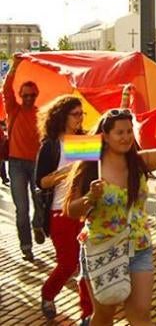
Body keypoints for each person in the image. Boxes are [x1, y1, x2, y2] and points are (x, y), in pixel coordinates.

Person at [65, 100, 156, 326]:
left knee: (141, 313)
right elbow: (71, 211)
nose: (126, 137)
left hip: (138, 247)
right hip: (103, 248)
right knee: (105, 315)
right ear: (105, 136)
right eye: (119, 132)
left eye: (129, 131)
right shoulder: (91, 164)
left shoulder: (140, 161)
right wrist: (91, 197)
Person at [34, 95, 93, 323]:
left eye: (82, 114)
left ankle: (87, 313)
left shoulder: (83, 140)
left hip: (84, 210)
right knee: (68, 263)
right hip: (59, 210)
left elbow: (89, 176)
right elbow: (41, 182)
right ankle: (48, 293)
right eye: (75, 114)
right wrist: (65, 173)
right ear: (62, 116)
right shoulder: (50, 145)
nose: (80, 118)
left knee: (86, 264)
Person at [3, 54, 45, 260]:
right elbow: (6, 88)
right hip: (17, 164)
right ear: (21, 95)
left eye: (32, 95)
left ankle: (38, 224)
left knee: (40, 204)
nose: (28, 98)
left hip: (37, 164)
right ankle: (26, 246)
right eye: (25, 95)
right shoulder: (13, 110)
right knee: (21, 209)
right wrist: (16, 65)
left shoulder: (42, 114)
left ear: (36, 95)